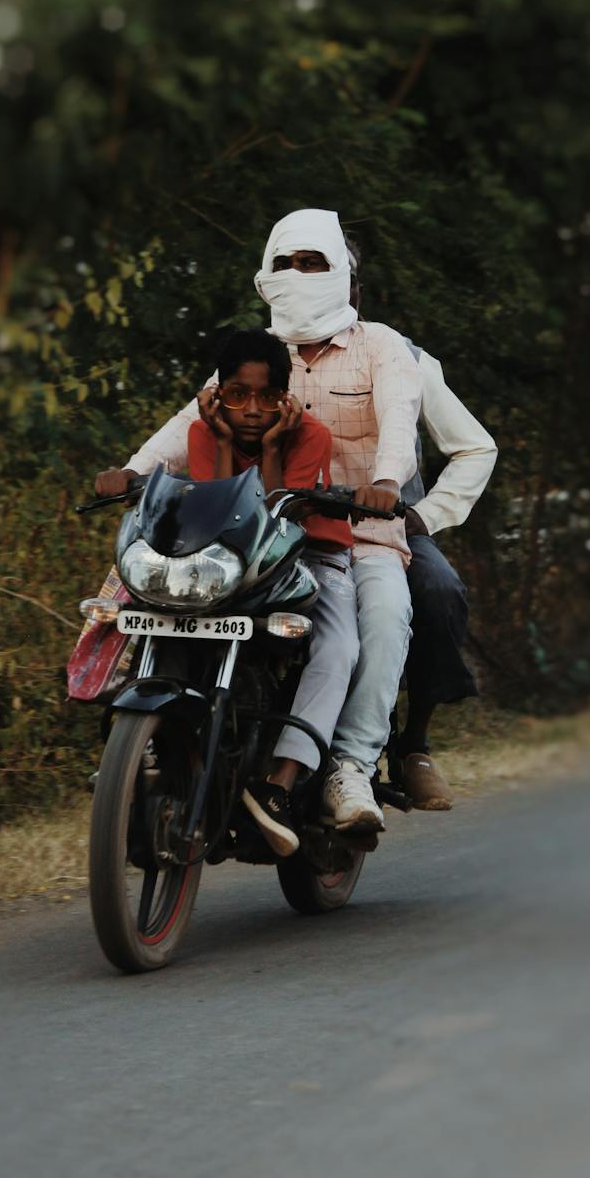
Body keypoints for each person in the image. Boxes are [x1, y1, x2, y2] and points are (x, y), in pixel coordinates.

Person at [95, 209, 422, 836]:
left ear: (343, 272)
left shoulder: (380, 347)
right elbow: (183, 434)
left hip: (355, 535)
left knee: (373, 628)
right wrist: (131, 470)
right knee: (139, 602)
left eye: (312, 263)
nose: (297, 275)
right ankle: (148, 745)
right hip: (244, 548)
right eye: (285, 263)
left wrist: (385, 483)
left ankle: (347, 767)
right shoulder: (255, 355)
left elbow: (400, 418)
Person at [187, 326, 358, 858]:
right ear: (218, 394)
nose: (252, 410)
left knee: (338, 647)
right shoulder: (202, 433)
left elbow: (272, 519)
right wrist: (221, 442)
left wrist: (270, 447)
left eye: (267, 397)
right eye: (238, 395)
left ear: (286, 398)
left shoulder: (310, 435)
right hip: (228, 562)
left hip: (312, 556)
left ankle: (280, 783)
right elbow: (220, 516)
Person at [342, 238, 497, 811]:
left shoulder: (403, 355)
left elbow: (476, 447)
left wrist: (423, 515)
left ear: (356, 289)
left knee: (438, 589)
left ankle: (414, 744)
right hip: (290, 523)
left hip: (389, 527)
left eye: (337, 274)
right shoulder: (266, 355)